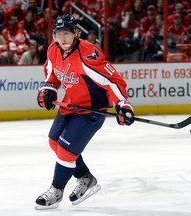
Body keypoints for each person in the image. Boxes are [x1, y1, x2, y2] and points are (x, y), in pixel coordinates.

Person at [35, 14, 134, 210]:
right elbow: (52, 72)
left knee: (65, 152)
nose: (62, 38)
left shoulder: (88, 54)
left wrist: (122, 104)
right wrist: (49, 89)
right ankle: (86, 178)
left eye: (67, 34)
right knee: (54, 142)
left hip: (91, 111)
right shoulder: (53, 49)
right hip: (70, 104)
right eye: (58, 34)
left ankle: (56, 190)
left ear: (76, 34)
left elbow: (113, 80)